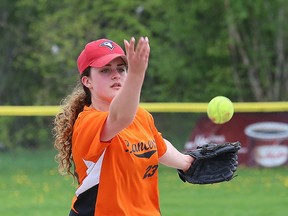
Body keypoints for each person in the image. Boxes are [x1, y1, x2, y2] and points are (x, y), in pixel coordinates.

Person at [53, 36, 194, 216]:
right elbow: (120, 118)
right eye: (105, 70)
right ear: (87, 81)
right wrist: (136, 74)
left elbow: (158, 147)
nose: (116, 75)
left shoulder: (141, 116)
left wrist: (187, 163)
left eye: (121, 69)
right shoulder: (87, 122)